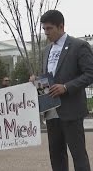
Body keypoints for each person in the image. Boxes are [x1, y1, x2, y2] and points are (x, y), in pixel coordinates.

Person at [30, 10, 93, 171]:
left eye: (49, 28)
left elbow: (90, 74)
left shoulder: (79, 46)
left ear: (61, 26)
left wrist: (66, 87)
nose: (46, 33)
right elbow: (48, 79)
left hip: (71, 110)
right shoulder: (46, 50)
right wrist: (36, 81)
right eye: (44, 29)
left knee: (78, 155)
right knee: (56, 155)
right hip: (50, 111)